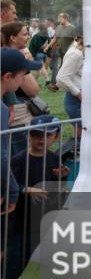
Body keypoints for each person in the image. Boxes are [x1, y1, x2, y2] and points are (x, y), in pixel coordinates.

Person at [5, 115, 68, 279]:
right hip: (21, 221)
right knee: (16, 262)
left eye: (47, 135)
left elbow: (55, 189)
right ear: (28, 135)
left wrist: (62, 178)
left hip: (44, 220)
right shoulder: (18, 160)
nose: (41, 139)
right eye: (36, 135)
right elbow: (9, 186)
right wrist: (27, 189)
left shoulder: (54, 158)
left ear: (56, 136)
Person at [1, 48, 41, 216]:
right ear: (8, 76)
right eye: (22, 74)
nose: (24, 79)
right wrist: (12, 191)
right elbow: (1, 156)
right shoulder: (1, 110)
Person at [56, 35, 84, 140]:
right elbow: (62, 78)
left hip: (79, 97)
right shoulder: (76, 53)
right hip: (77, 99)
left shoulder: (80, 51)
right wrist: (78, 94)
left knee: (82, 133)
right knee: (81, 135)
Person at [47, 13, 77, 90]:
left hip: (68, 52)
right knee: (62, 68)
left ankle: (57, 85)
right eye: (58, 19)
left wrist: (73, 48)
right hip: (59, 50)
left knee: (63, 68)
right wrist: (48, 46)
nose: (58, 20)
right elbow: (55, 38)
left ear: (66, 18)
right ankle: (58, 85)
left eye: (60, 19)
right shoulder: (59, 27)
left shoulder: (72, 28)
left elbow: (76, 40)